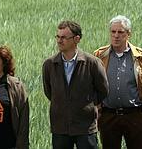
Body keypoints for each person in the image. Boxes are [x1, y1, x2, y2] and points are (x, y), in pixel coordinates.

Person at [93, 15, 142, 149]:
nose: (116, 36)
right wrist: (98, 113)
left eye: (120, 32)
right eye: (113, 32)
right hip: (108, 115)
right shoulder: (99, 56)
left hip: (135, 115)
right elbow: (92, 86)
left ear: (128, 34)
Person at [42, 20, 108, 149]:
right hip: (60, 127)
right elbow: (49, 92)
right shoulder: (49, 64)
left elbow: (103, 90)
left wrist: (87, 105)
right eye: (58, 37)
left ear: (76, 39)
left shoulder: (92, 63)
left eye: (64, 38)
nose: (59, 41)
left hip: (85, 127)